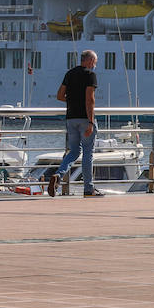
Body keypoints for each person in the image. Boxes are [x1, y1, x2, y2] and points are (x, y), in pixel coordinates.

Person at [48, 49, 102, 197]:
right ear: (90, 61)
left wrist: (73, 101)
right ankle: (88, 188)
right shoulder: (91, 75)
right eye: (95, 62)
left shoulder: (69, 74)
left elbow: (60, 96)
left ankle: (59, 175)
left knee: (74, 152)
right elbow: (90, 100)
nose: (95, 65)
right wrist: (91, 122)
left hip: (71, 118)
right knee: (87, 154)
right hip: (85, 119)